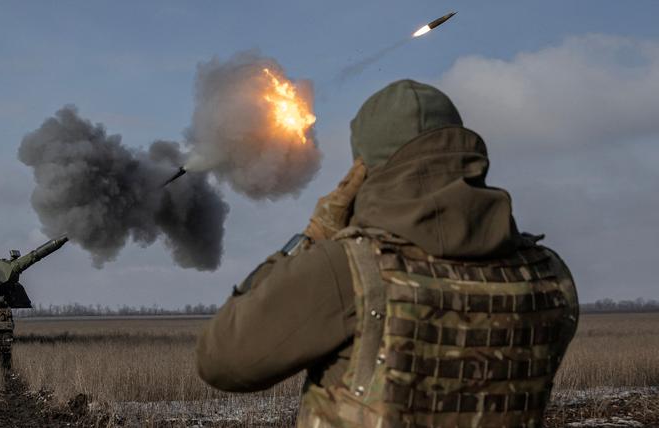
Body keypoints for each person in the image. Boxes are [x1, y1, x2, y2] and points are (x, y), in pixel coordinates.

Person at [196, 80, 579, 427]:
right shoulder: (548, 275)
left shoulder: (347, 268)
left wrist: (311, 239)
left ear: (363, 170)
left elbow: (221, 360)